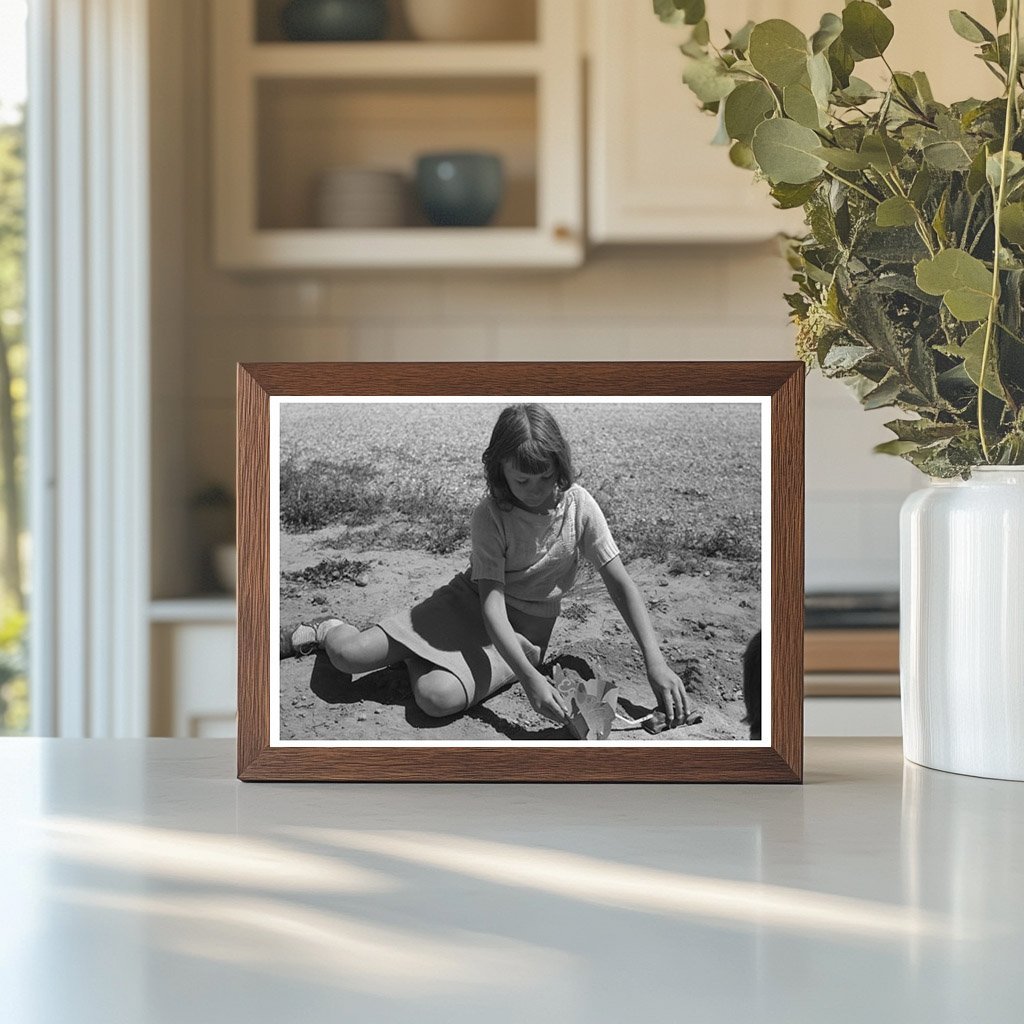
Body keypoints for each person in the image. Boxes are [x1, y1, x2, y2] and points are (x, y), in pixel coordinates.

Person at [281, 403, 690, 728]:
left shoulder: (579, 505)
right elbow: (491, 606)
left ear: (559, 465)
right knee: (349, 658)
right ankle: (327, 628)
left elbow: (621, 584)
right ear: (500, 473)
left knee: (434, 699)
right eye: (521, 481)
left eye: (544, 477)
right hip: (469, 604)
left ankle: (415, 657)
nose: (535, 491)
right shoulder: (491, 514)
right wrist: (530, 681)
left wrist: (655, 662)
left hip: (524, 635)